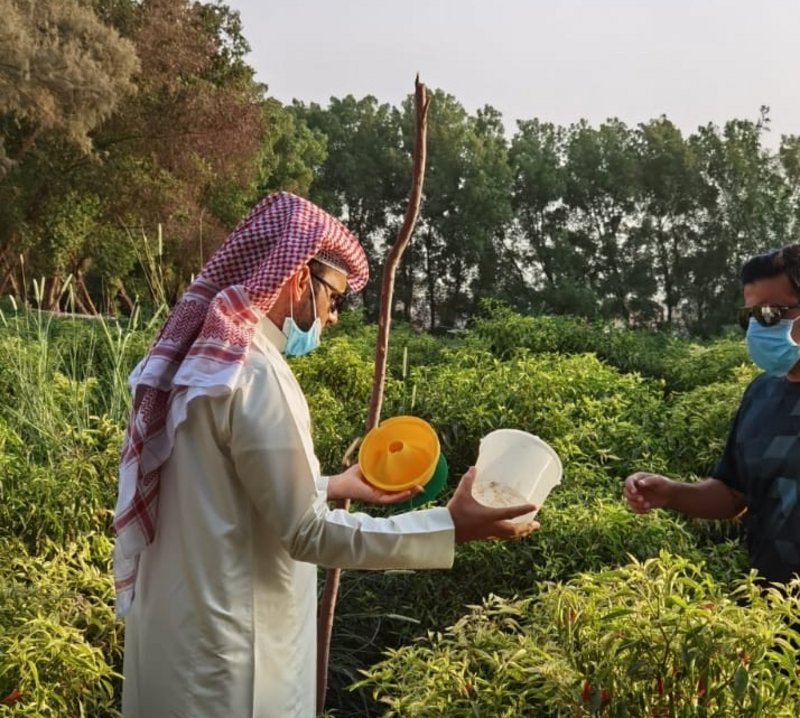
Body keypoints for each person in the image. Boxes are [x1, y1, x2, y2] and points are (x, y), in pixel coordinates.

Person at [115, 191, 538, 718]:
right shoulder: (253, 372)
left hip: (175, 644)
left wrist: (337, 485)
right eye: (334, 298)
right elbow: (308, 532)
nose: (334, 318)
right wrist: (451, 526)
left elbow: (219, 491)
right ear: (297, 279)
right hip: (233, 666)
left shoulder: (198, 365)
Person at [624, 244, 800, 586]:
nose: (758, 330)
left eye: (771, 315)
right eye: (750, 317)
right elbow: (734, 495)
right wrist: (673, 493)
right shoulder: (761, 394)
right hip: (774, 617)